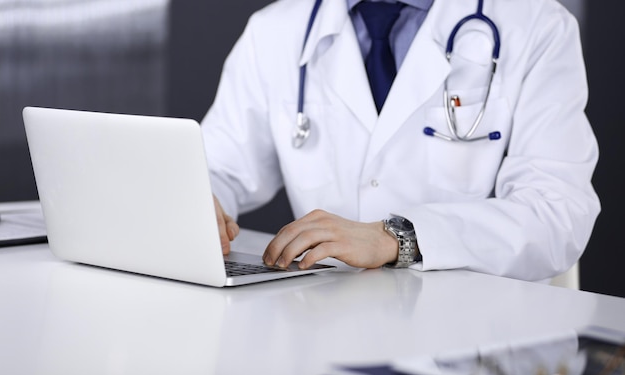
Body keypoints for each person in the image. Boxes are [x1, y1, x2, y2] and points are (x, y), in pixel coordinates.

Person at [201, 0, 600, 281]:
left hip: (473, 334)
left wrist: (398, 237)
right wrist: (201, 199)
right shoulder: (275, 29)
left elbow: (556, 213)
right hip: (324, 319)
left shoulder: (536, 24)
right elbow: (218, 167)